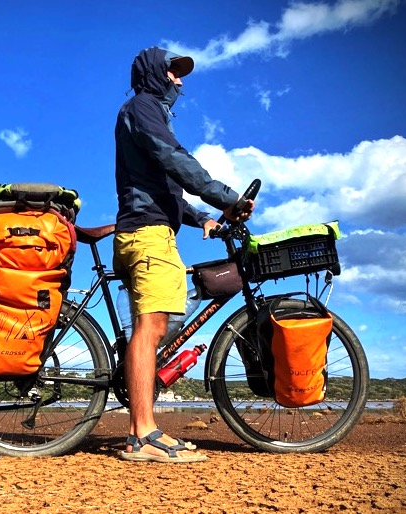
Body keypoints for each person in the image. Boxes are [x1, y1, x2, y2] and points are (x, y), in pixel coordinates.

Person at [113, 46, 254, 463]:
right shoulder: (142, 107)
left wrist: (202, 219)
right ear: (154, 74)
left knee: (155, 324)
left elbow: (165, 187)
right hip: (147, 235)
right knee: (152, 326)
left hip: (153, 230)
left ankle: (142, 417)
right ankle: (142, 434)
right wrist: (225, 196)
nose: (180, 80)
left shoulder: (149, 111)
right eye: (173, 72)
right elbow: (173, 159)